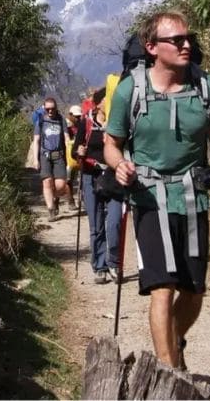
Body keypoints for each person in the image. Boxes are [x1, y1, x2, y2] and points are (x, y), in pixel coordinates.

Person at [104, 11, 210, 370]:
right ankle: (168, 374)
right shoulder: (130, 90)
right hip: (148, 196)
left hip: (191, 196)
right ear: (151, 47)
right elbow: (112, 144)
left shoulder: (208, 88)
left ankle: (174, 340)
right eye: (176, 40)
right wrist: (119, 164)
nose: (186, 45)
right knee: (162, 287)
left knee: (193, 289)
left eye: (189, 39)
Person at [73, 89, 122, 285]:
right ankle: (100, 267)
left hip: (113, 177)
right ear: (99, 103)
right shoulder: (86, 123)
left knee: (115, 222)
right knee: (96, 226)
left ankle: (114, 263)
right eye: (108, 100)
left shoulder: (118, 123)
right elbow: (75, 150)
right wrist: (79, 151)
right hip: (91, 176)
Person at [32, 97, 72, 221]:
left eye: (52, 109)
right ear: (44, 108)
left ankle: (55, 199)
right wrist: (35, 159)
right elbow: (36, 140)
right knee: (47, 182)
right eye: (47, 109)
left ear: (56, 108)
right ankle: (51, 210)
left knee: (60, 185)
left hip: (59, 156)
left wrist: (70, 153)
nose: (50, 111)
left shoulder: (61, 120)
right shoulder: (41, 121)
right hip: (45, 156)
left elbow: (66, 137)